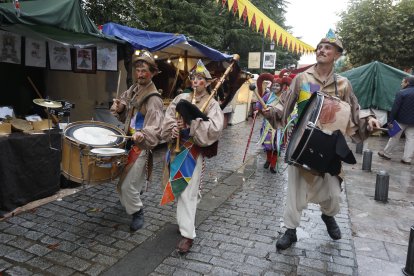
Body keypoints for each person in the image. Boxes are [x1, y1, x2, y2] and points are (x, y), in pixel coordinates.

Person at [262, 29, 381, 250]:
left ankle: (328, 216)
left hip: (330, 147)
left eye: (328, 48)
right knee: (295, 190)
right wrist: (271, 111)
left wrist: (370, 120)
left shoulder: (343, 84)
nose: (321, 50)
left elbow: (355, 111)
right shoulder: (302, 78)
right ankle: (290, 230)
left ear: (337, 54)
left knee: (333, 193)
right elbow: (284, 105)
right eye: (319, 47)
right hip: (303, 143)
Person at [160, 60, 224, 254]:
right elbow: (169, 117)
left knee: (188, 192)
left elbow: (215, 128)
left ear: (207, 82)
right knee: (180, 189)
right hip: (176, 150)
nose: (196, 81)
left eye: (200, 78)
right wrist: (173, 129)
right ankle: (184, 220)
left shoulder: (212, 103)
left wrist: (191, 126)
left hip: (193, 151)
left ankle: (188, 235)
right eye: (194, 78)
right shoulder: (181, 97)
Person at [110, 50, 164, 231]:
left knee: (126, 185)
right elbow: (125, 110)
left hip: (140, 146)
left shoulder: (154, 99)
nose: (140, 74)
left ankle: (137, 212)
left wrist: (143, 134)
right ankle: (131, 198)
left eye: (144, 71)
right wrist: (119, 108)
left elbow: (156, 127)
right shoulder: (133, 90)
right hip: (128, 142)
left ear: (153, 72)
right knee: (128, 181)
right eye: (138, 70)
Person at [378, 76, 414, 165]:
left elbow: (395, 108)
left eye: (403, 82)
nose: (401, 84)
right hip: (413, 122)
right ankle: (407, 159)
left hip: (400, 120)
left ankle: (387, 154)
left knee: (394, 137)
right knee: (411, 140)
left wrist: (390, 121)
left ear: (407, 83)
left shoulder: (402, 93)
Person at [255, 74, 284, 173]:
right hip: (267, 124)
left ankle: (273, 165)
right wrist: (257, 109)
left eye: (278, 85)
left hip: (279, 125)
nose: (275, 87)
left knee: (276, 146)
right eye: (274, 85)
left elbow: (290, 108)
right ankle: (268, 160)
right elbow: (259, 103)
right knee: (268, 145)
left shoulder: (285, 97)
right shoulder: (268, 95)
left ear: (281, 87)